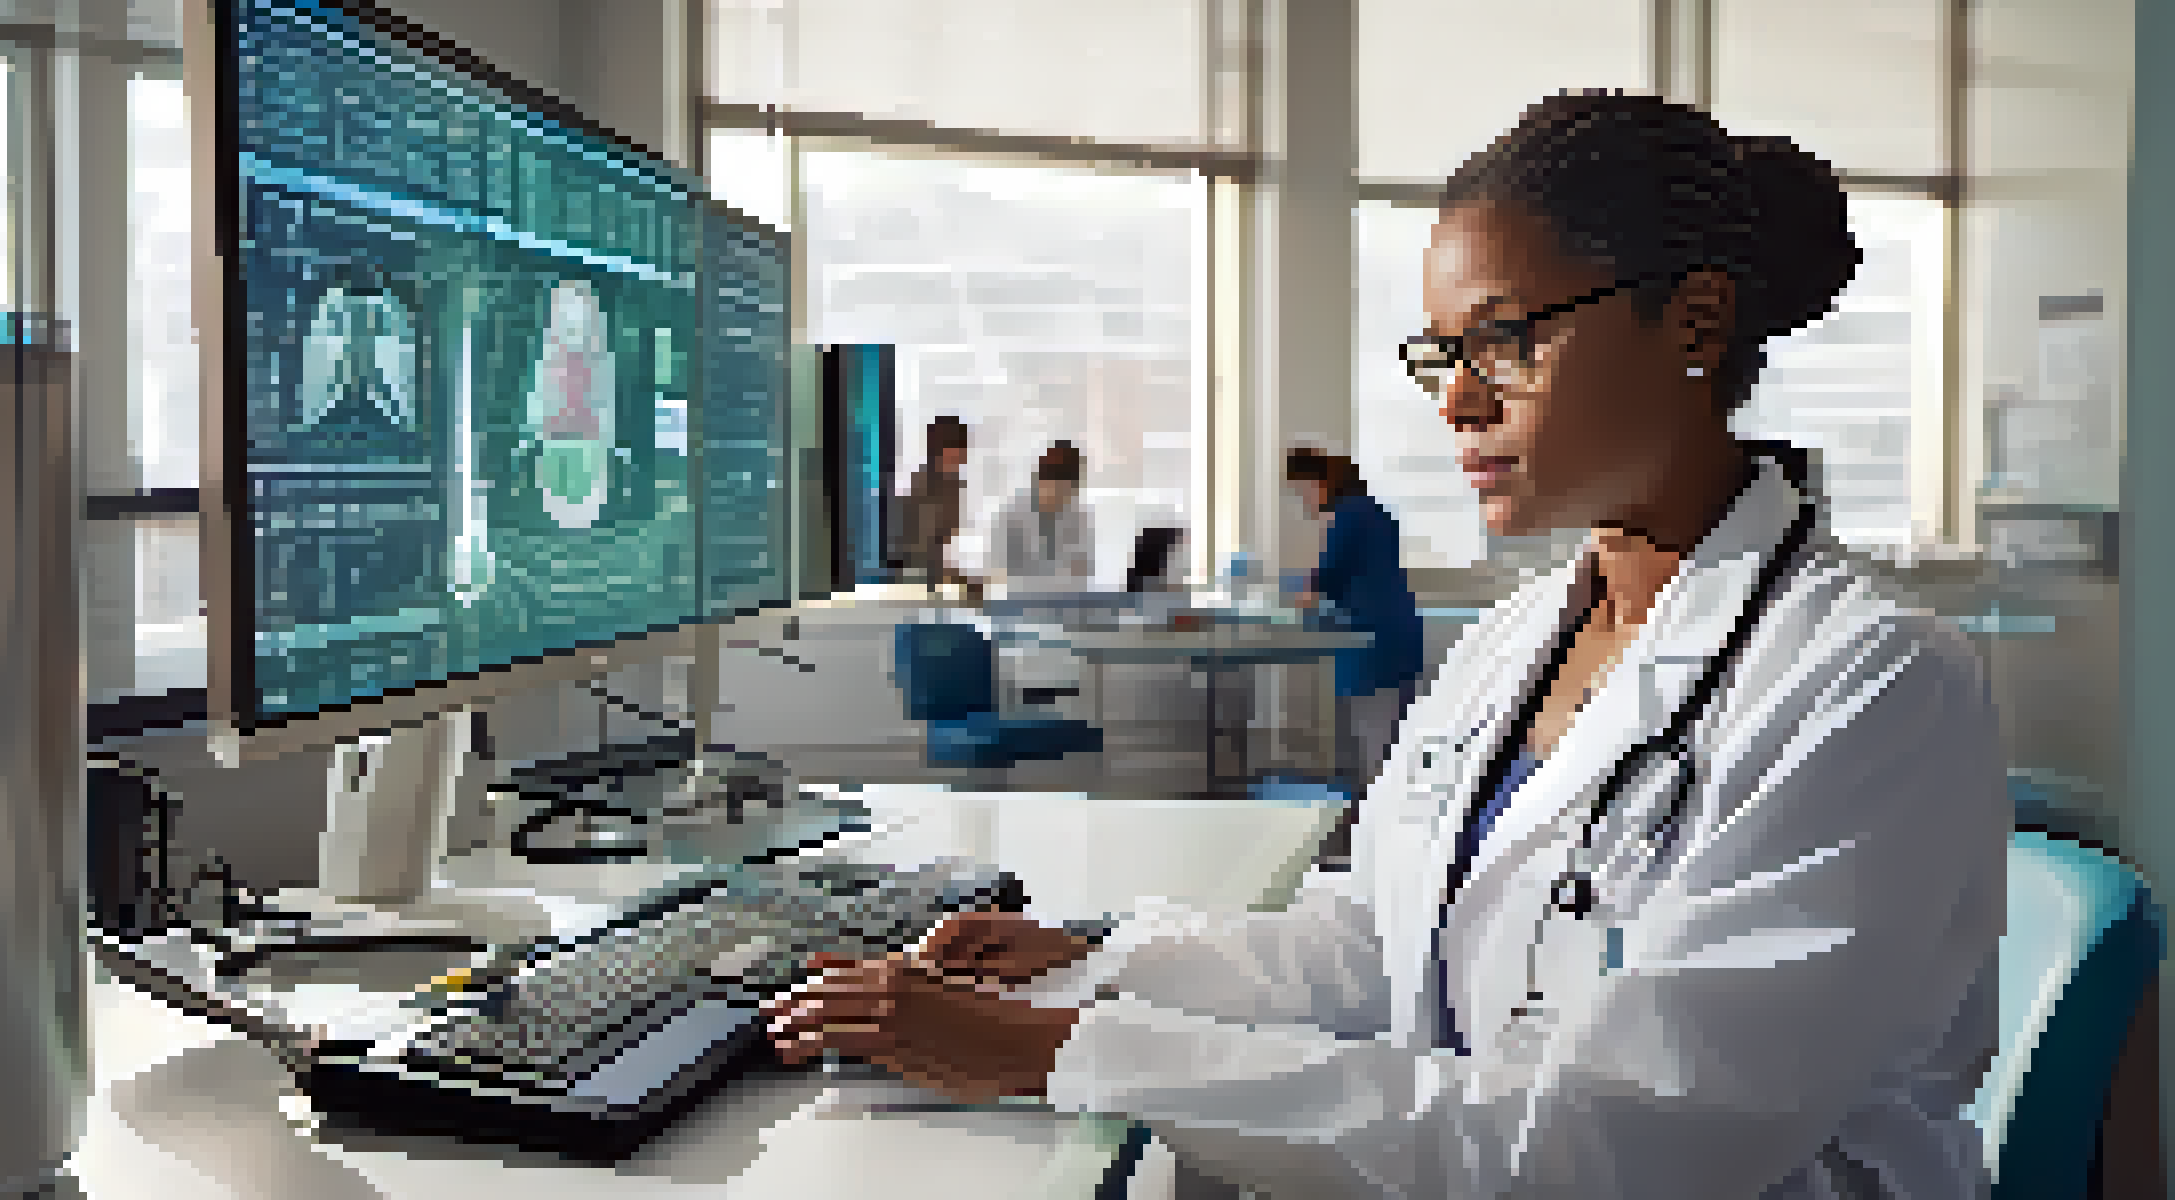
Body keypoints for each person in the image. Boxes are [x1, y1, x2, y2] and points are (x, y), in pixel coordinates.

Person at [762, 90, 2007, 1200]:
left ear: (1693, 322)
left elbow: (1604, 1145)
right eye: (1442, 355)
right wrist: (1099, 960)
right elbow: (1372, 944)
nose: (1457, 401)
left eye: (1506, 340)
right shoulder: (1520, 638)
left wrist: (1065, 1054)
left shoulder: (1873, 685)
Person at [1283, 448, 1425, 805]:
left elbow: (1328, 576)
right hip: (1396, 636)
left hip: (1372, 643)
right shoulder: (1373, 511)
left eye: (1304, 491)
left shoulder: (1348, 516)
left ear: (1321, 482)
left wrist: (1300, 592)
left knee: (1377, 752)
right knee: (1392, 744)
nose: (1304, 501)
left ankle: (1378, 834)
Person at [988, 441, 1096, 591]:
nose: (1061, 495)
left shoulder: (1078, 519)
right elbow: (1002, 573)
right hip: (1017, 605)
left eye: (1068, 489)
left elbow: (1081, 574)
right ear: (1040, 481)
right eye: (1055, 486)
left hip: (1066, 605)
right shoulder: (1012, 517)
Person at [893, 415, 972, 590]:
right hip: (909, 579)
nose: (962, 456)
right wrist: (958, 580)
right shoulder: (922, 487)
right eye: (956, 449)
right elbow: (921, 553)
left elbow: (941, 546)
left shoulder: (952, 486)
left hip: (929, 578)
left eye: (963, 449)